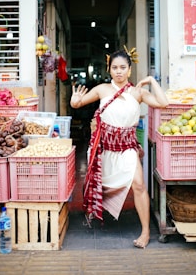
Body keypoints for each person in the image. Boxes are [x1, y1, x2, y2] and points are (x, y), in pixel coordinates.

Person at [70, 48, 168, 249]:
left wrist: (151, 80)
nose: (119, 71)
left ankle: (146, 232)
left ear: (130, 70)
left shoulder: (139, 92)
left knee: (139, 185)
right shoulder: (102, 89)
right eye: (114, 68)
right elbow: (78, 104)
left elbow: (163, 103)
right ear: (109, 70)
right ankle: (94, 210)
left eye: (123, 67)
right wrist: (74, 101)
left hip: (127, 147)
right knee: (99, 185)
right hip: (104, 148)